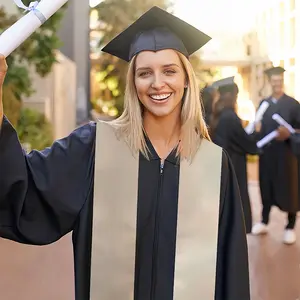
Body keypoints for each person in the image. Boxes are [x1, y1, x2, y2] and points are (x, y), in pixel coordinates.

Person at [0, 6, 250, 299]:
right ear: (133, 82)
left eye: (169, 70)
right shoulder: (94, 147)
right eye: (145, 73)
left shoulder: (213, 164)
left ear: (186, 79)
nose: (158, 83)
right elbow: (24, 191)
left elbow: (231, 270)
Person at [251, 66, 300, 245]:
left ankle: (290, 226)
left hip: (287, 155)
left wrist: (290, 133)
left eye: (279, 81)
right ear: (270, 82)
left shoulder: (293, 104)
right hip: (268, 155)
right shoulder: (264, 104)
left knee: (291, 188)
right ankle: (264, 221)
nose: (277, 83)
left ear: (283, 82)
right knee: (266, 186)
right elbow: (257, 128)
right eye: (274, 81)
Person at [210, 76, 259, 233]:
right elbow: (245, 141)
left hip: (222, 164)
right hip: (234, 165)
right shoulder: (229, 117)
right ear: (230, 96)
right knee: (236, 202)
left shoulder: (216, 115)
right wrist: (256, 134)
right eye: (236, 96)